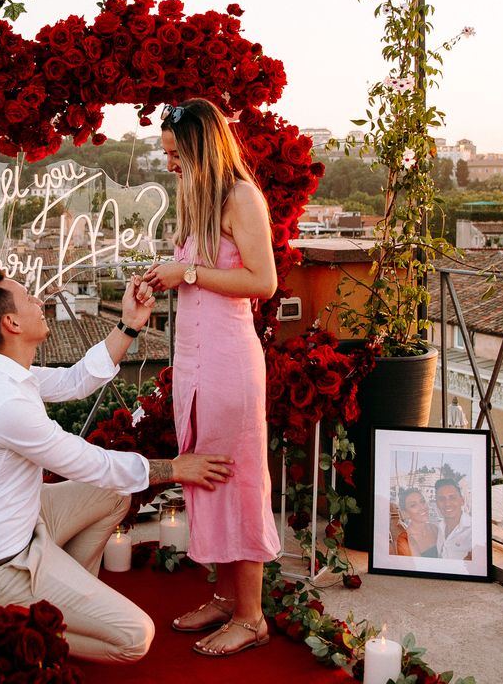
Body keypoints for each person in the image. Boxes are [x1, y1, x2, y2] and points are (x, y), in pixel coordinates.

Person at [0, 265, 235, 663]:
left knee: (114, 495)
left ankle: (65, 595)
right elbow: (85, 462)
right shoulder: (2, 403)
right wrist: (176, 469)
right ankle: (26, 629)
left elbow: (74, 380)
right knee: (136, 637)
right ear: (10, 322)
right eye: (28, 298)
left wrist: (129, 325)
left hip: (20, 522)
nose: (39, 301)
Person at [141, 98, 281, 657]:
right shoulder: (195, 195)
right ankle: (226, 595)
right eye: (166, 154)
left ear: (201, 146)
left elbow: (263, 281)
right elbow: (200, 275)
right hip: (195, 359)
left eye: (176, 153)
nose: (170, 163)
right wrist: (165, 278)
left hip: (228, 361)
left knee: (237, 477)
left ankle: (252, 616)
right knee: (206, 473)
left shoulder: (242, 197)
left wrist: (190, 272)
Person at [394, 488, 440, 558]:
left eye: (422, 501)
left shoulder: (434, 528)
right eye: (413, 505)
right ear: (405, 513)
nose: (422, 507)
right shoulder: (407, 540)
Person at [435, 478, 473, 561]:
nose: (447, 504)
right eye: (442, 499)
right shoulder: (439, 527)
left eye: (452, 498)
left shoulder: (474, 530)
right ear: (437, 503)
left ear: (462, 501)